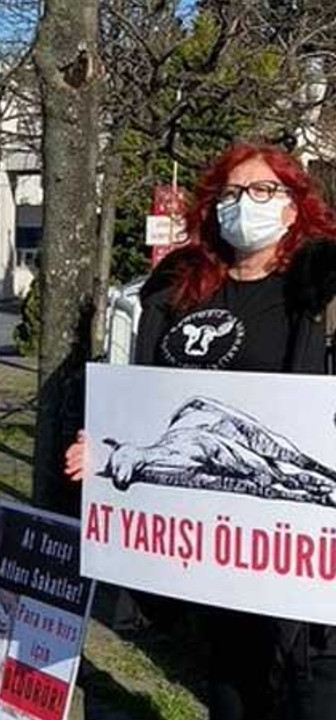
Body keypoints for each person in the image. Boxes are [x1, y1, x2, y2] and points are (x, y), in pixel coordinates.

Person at [65, 143, 336, 719]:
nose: (245, 203)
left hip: (298, 552)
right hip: (215, 556)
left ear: (293, 208)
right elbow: (144, 396)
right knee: (230, 694)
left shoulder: (319, 292)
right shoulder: (183, 289)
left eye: (264, 191)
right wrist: (107, 446)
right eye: (232, 193)